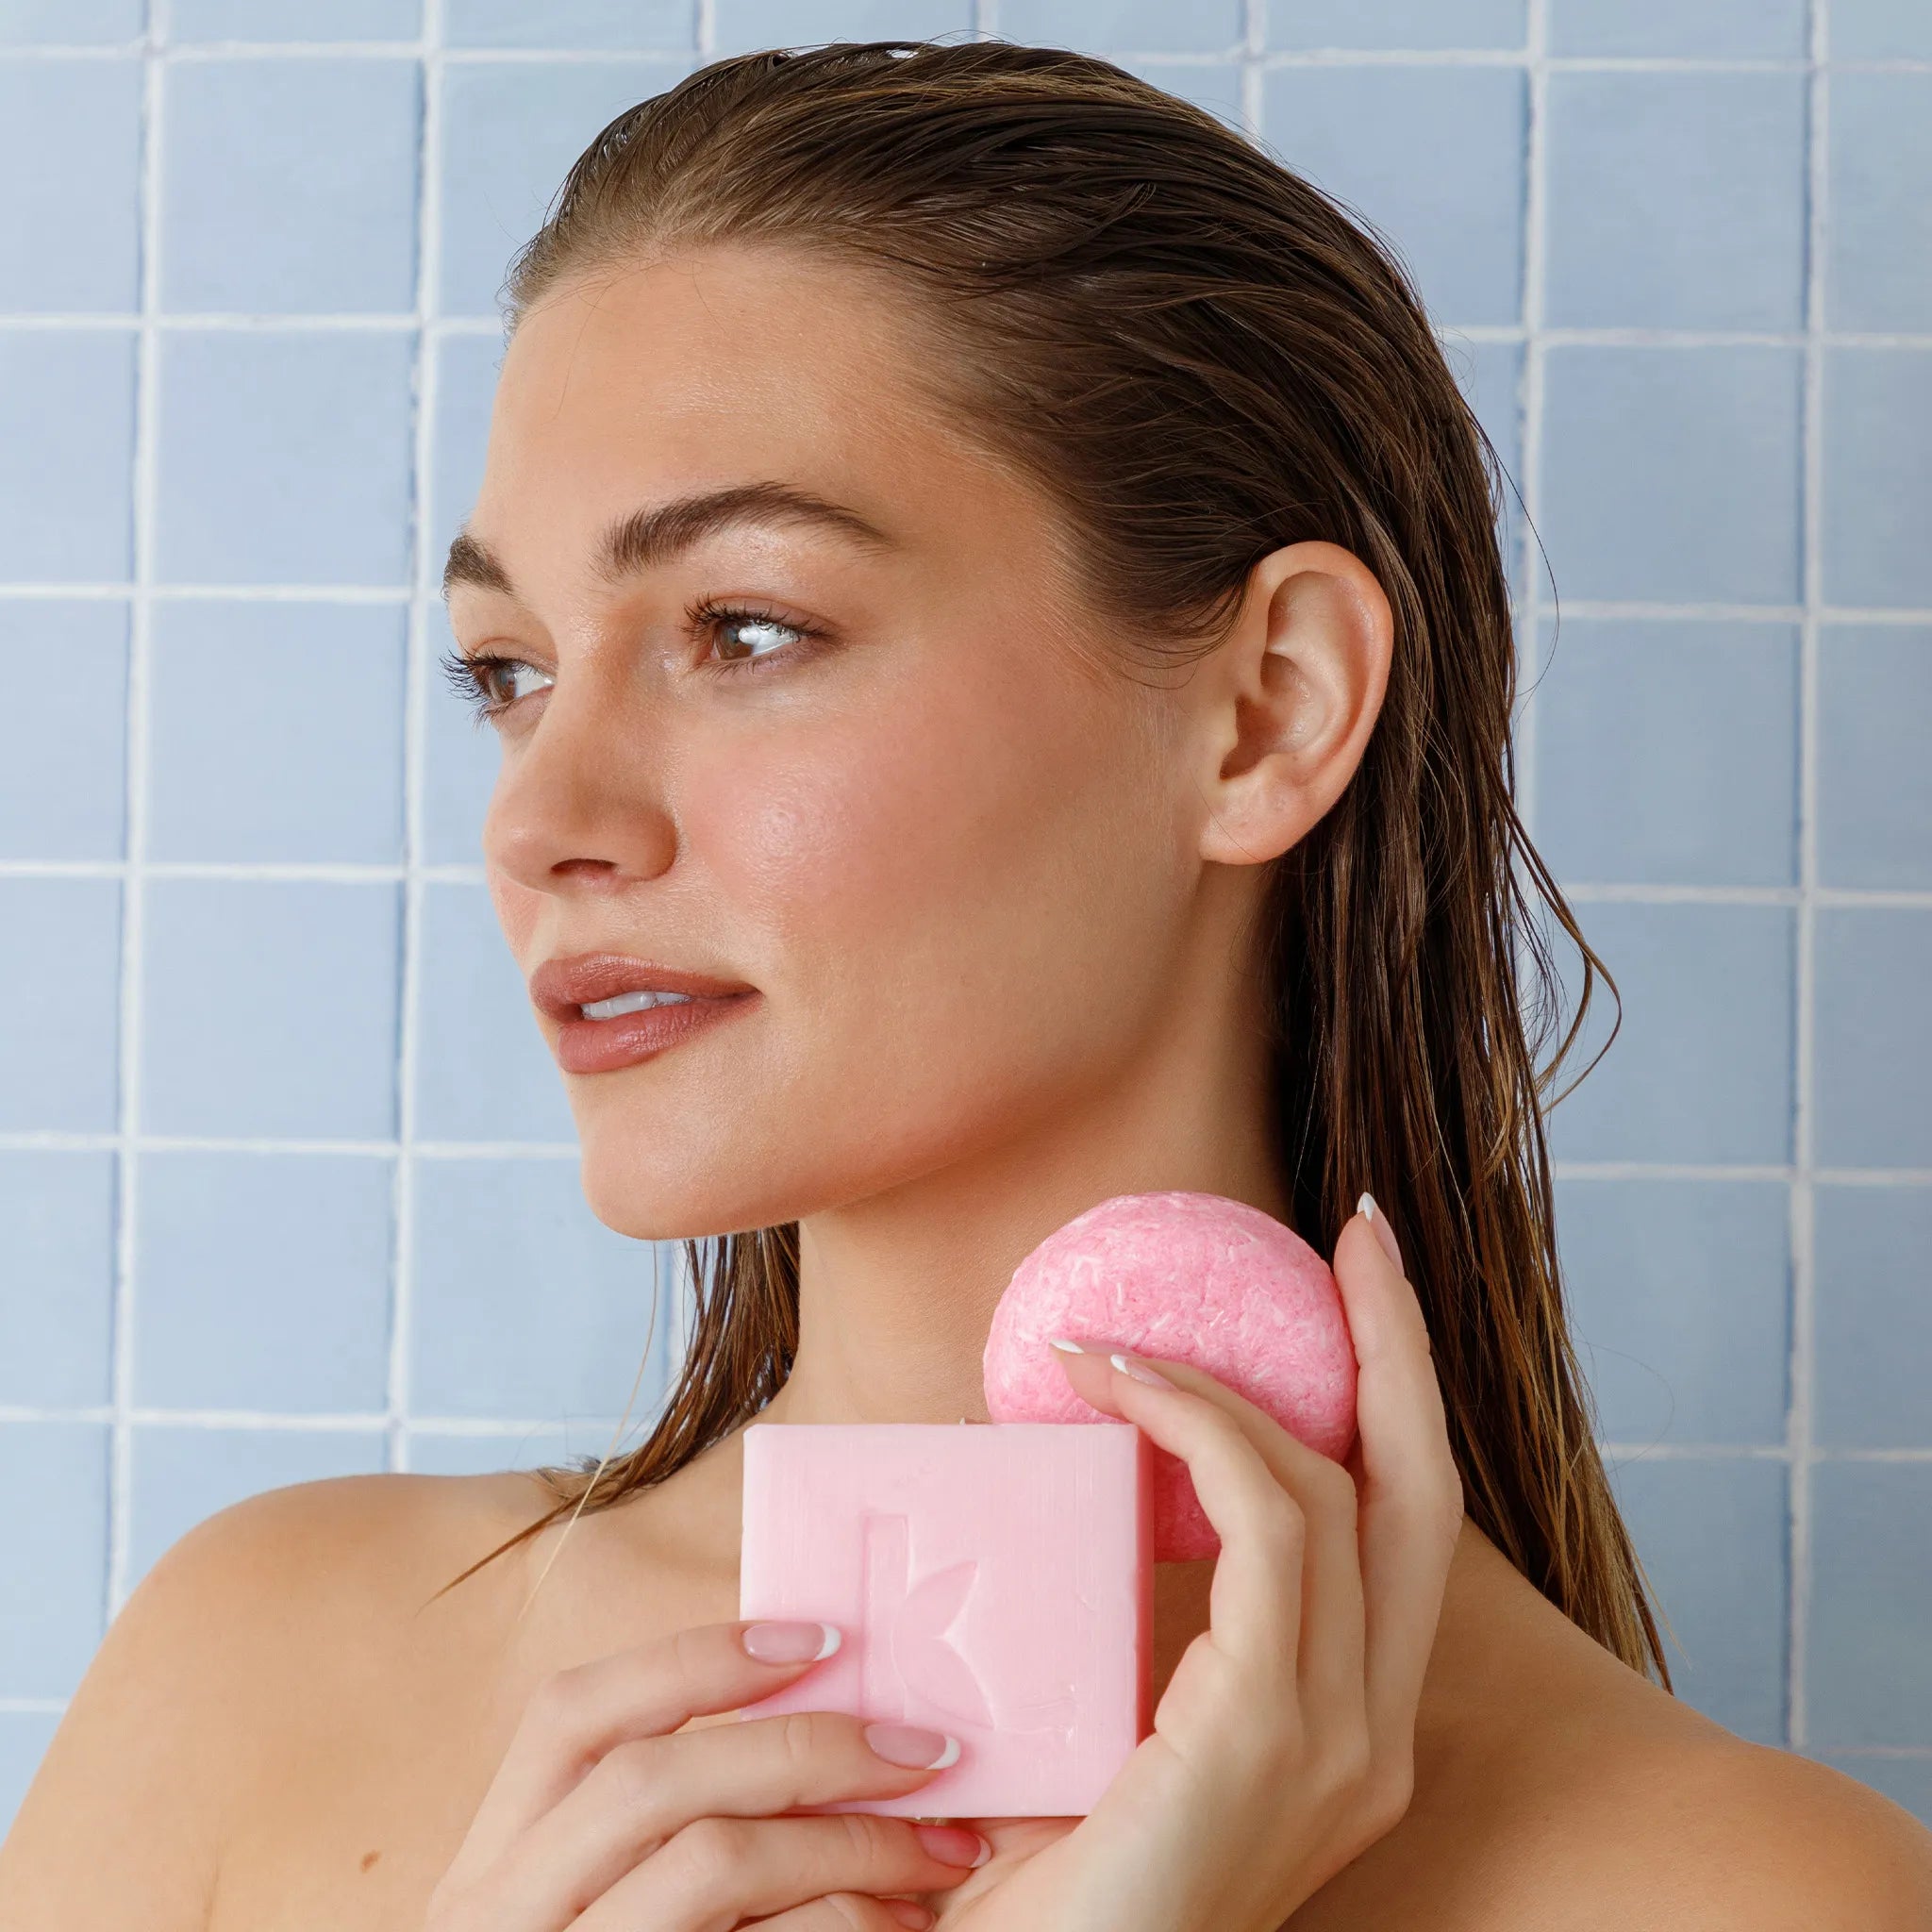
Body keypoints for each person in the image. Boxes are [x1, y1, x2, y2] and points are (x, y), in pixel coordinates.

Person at [4, 38, 1929, 1930]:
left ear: (1267, 710)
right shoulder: (256, 1680)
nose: (543, 821)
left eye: (745, 629)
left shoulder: (1745, 1896)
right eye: (509, 671)